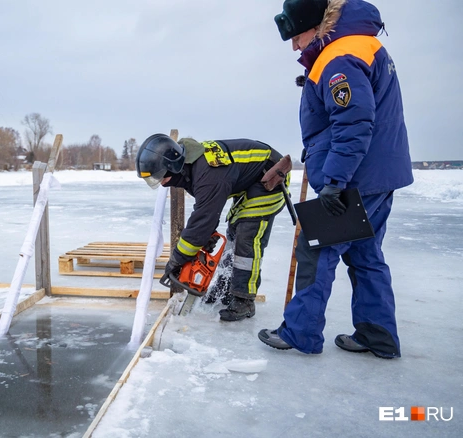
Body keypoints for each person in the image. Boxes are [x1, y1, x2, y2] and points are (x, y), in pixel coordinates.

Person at [259, 0, 413, 358]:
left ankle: (301, 333)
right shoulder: (364, 45)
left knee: (316, 252)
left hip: (352, 179)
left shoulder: (338, 59)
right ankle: (378, 336)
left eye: (297, 36)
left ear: (316, 26)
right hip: (378, 174)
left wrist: (334, 180)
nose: (295, 46)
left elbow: (354, 122)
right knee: (365, 254)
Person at [136, 134, 292, 321]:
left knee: (246, 239)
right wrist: (206, 234)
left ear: (172, 165)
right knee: (233, 234)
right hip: (248, 181)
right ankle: (226, 289)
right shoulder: (189, 166)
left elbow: (203, 219)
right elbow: (206, 208)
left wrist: (177, 259)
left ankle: (244, 300)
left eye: (161, 176)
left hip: (271, 178)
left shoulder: (207, 174)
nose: (161, 182)